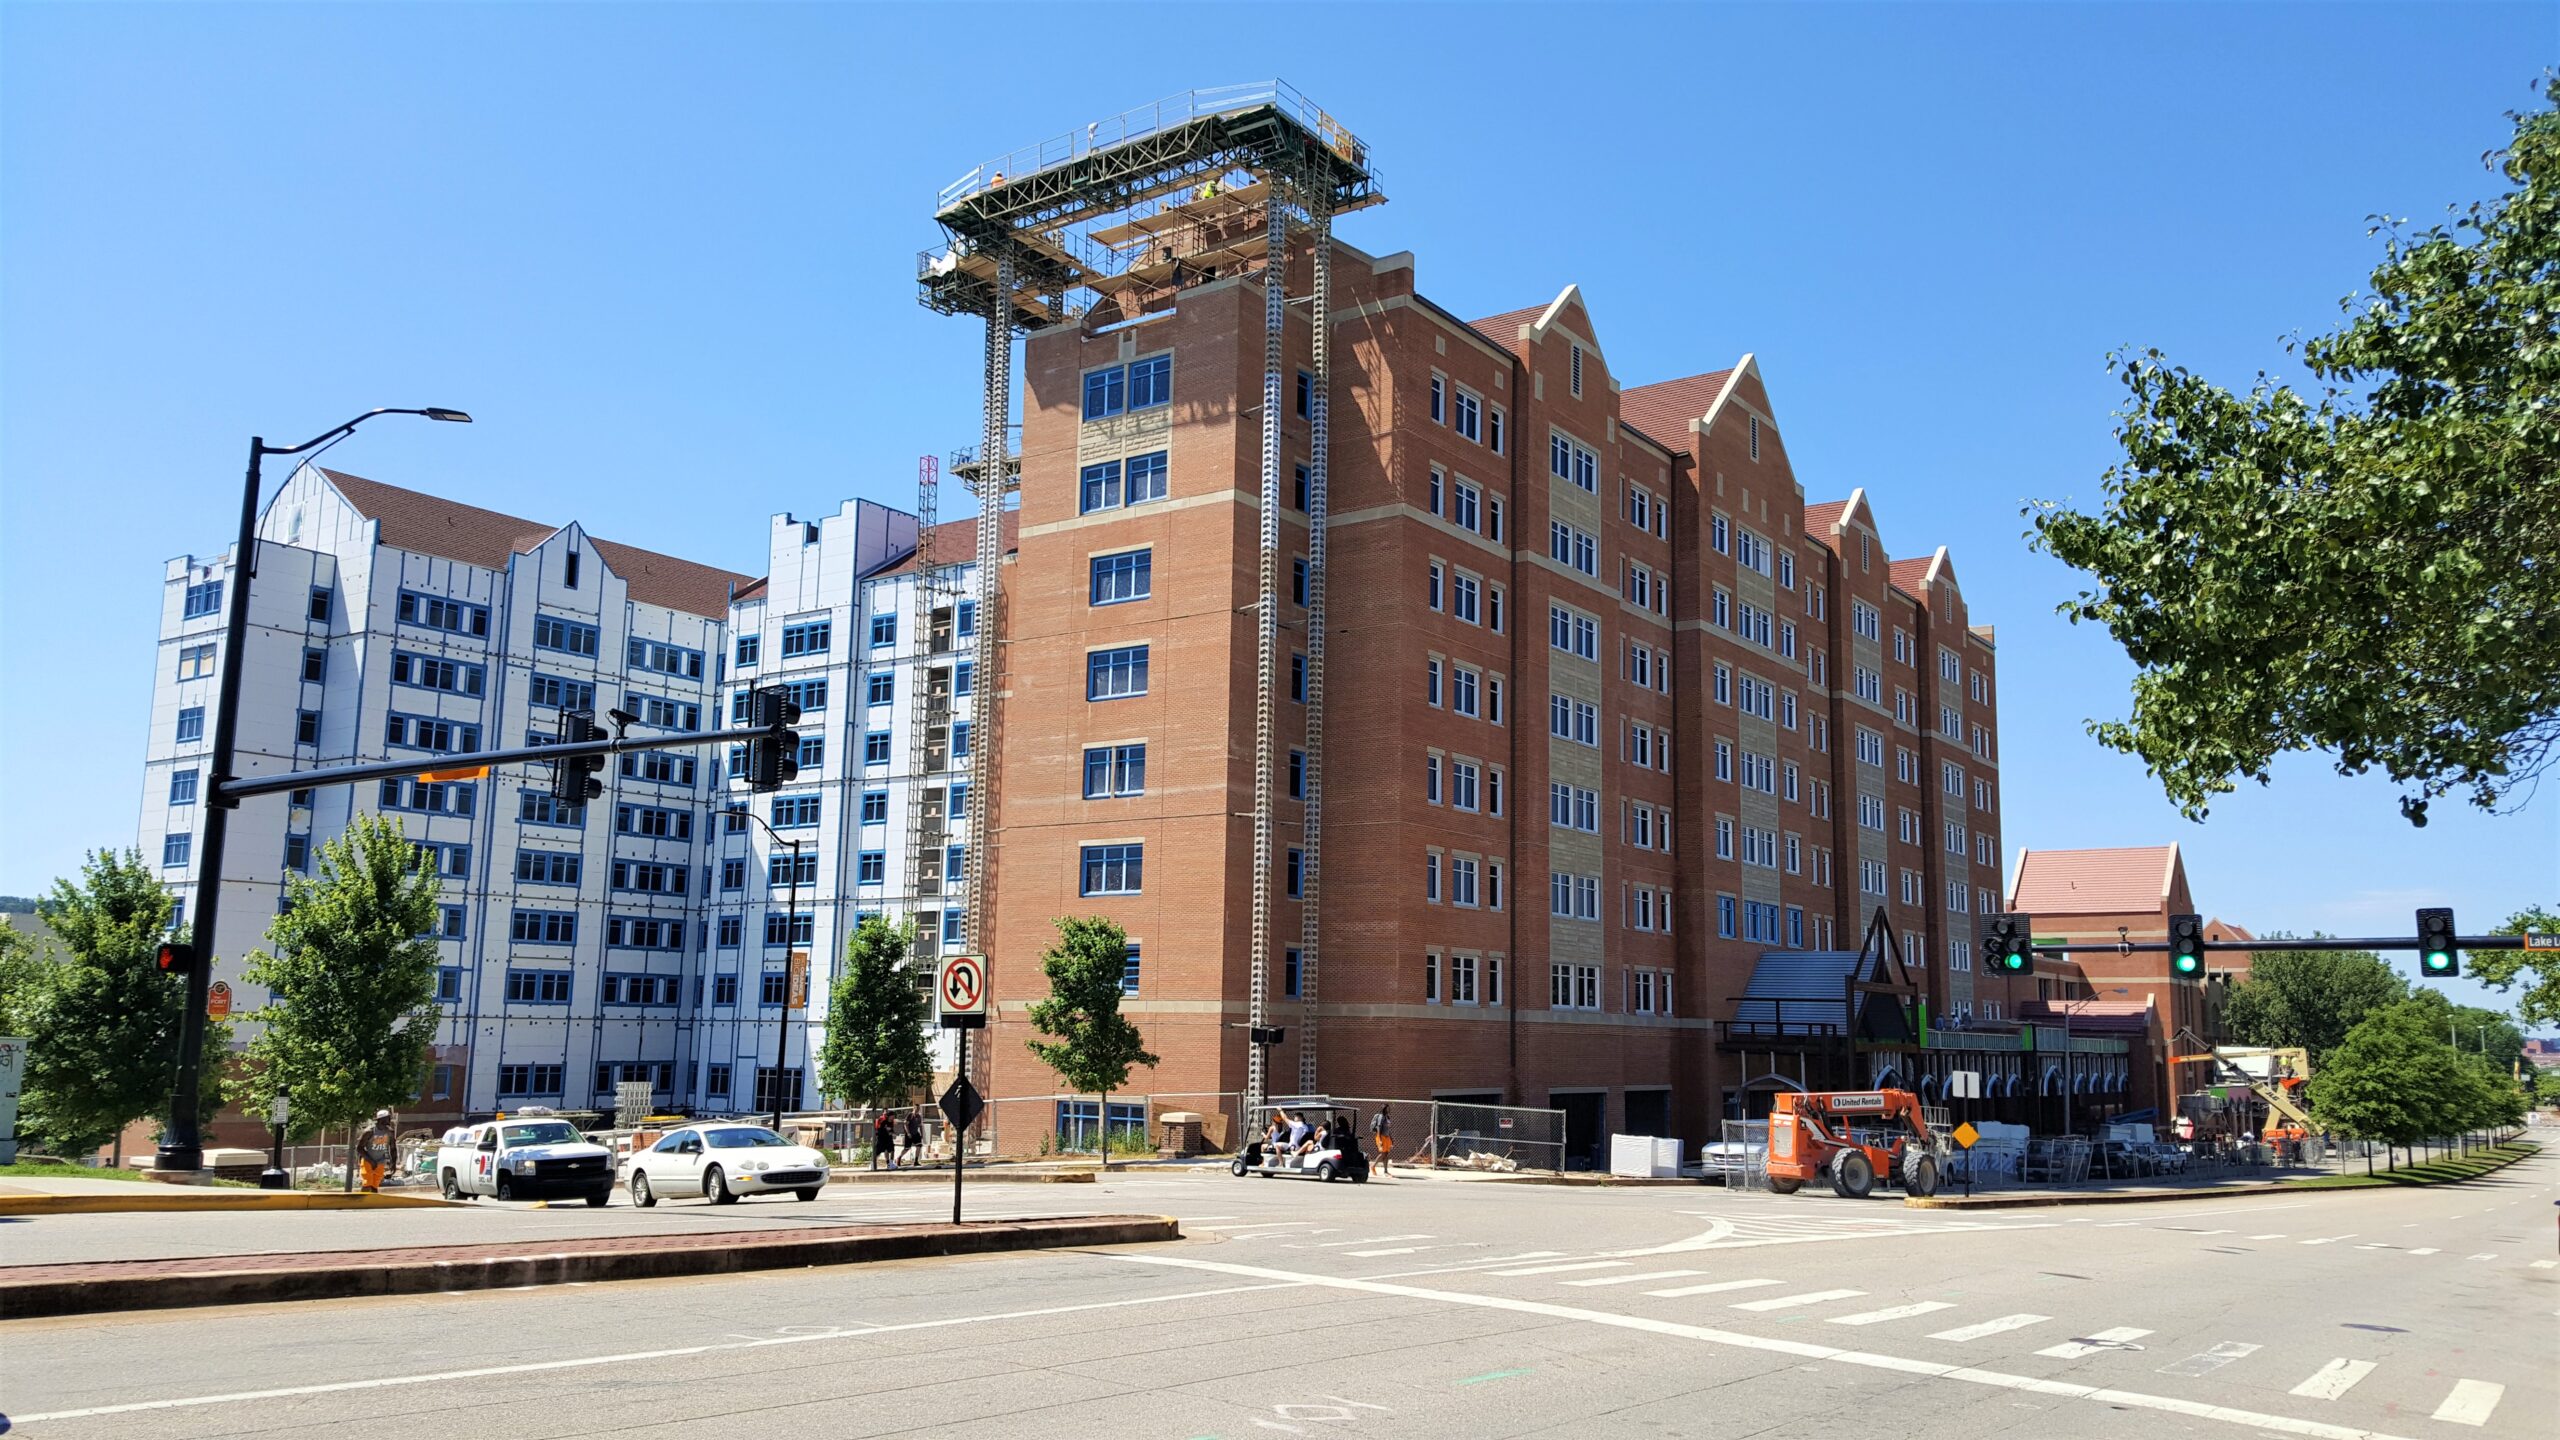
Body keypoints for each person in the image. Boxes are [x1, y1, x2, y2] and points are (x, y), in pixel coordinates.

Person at [356, 1109, 395, 1193]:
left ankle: (372, 1202)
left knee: (375, 1185)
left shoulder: (390, 1132)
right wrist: (371, 1161)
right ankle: (362, 1202)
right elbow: (359, 1148)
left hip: (380, 1161)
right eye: (387, 1118)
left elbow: (393, 1148)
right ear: (381, 1119)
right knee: (367, 1183)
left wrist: (393, 1163)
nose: (389, 1120)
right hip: (368, 1160)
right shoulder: (369, 1131)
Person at [1370, 1108, 1393, 1176]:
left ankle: (1385, 1171)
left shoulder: (1387, 1117)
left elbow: (1388, 1129)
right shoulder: (1381, 1117)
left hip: (1387, 1137)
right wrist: (1379, 1139)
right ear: (1384, 1109)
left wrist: (1391, 1138)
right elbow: (1378, 1127)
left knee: (1386, 1154)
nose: (1388, 1110)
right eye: (1387, 1109)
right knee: (1383, 1153)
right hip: (1381, 1137)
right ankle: (1373, 1166)